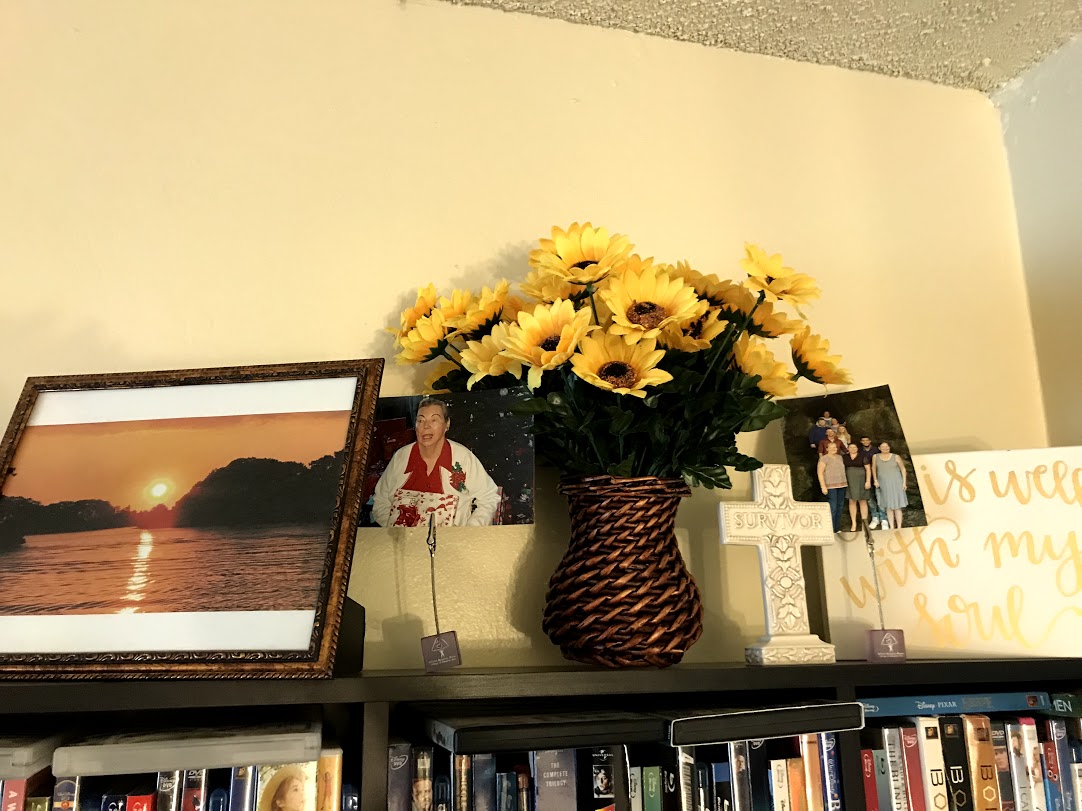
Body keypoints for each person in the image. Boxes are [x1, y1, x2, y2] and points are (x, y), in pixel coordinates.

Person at [372, 397, 500, 527]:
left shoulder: (463, 457)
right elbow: (380, 500)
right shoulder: (401, 457)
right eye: (420, 420)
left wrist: (469, 530)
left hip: (452, 537)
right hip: (403, 537)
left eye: (434, 420)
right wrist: (392, 529)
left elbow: (489, 497)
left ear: (447, 424)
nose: (426, 426)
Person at [872, 441, 908, 529]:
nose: (885, 448)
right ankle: (891, 526)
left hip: (896, 483)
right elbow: (873, 468)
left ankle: (899, 526)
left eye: (887, 446)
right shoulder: (875, 457)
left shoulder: (896, 457)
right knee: (888, 506)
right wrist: (875, 480)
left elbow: (903, 469)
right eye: (883, 447)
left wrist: (904, 482)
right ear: (879, 448)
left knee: (897, 506)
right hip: (883, 483)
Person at [817, 442, 848, 532]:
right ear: (827, 449)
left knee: (840, 507)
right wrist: (823, 486)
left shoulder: (840, 457)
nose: (833, 449)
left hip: (842, 485)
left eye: (835, 447)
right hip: (831, 486)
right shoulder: (824, 459)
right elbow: (820, 473)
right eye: (831, 447)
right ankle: (830, 528)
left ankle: (837, 528)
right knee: (833, 508)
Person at [858, 435, 885, 529]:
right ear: (861, 442)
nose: (865, 442)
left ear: (870, 441)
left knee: (880, 497)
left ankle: (883, 518)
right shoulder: (859, 451)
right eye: (863, 440)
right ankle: (875, 517)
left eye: (867, 440)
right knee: (869, 498)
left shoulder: (876, 450)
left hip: (877, 476)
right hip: (865, 477)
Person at [843, 442, 872, 531]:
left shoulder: (863, 456)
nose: (853, 449)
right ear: (848, 449)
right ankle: (854, 523)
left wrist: (868, 481)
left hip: (861, 481)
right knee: (852, 501)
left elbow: (868, 469)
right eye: (851, 447)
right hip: (849, 481)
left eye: (854, 447)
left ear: (857, 448)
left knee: (863, 501)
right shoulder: (844, 457)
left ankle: (864, 524)